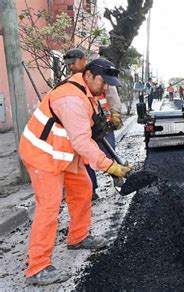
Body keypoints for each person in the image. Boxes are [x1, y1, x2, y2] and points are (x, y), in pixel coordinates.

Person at [19, 58, 130, 286]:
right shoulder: (70, 98)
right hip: (43, 154)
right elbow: (82, 142)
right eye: (103, 81)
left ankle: (78, 236)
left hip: (64, 153)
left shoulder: (87, 92)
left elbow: (88, 133)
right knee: (49, 207)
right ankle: (37, 267)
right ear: (88, 74)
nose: (106, 87)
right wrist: (110, 166)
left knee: (83, 189)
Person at [64, 49, 122, 201]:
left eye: (73, 63)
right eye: (68, 64)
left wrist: (116, 114)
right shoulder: (70, 83)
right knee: (86, 158)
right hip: (85, 126)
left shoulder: (99, 74)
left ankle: (117, 175)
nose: (70, 67)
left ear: (83, 60)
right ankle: (91, 189)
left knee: (108, 152)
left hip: (104, 122)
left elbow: (111, 94)